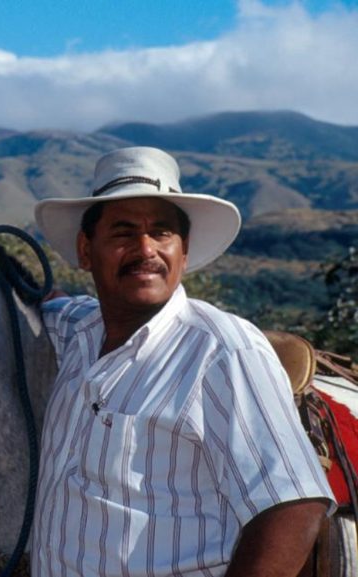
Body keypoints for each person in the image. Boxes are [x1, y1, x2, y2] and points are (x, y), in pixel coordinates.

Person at [30, 147, 334, 577]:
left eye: (162, 233)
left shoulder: (222, 352)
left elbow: (294, 507)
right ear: (85, 250)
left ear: (184, 250)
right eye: (123, 232)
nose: (145, 249)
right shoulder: (78, 330)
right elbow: (45, 304)